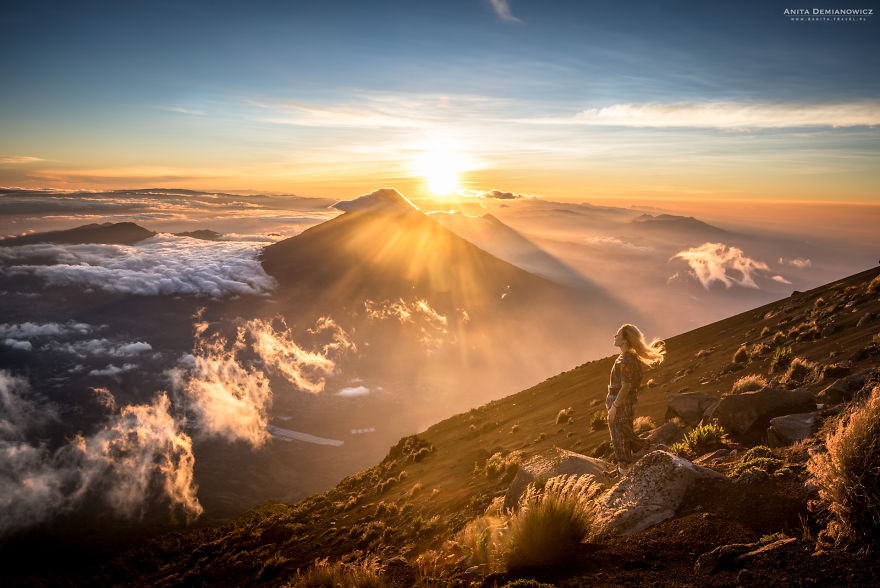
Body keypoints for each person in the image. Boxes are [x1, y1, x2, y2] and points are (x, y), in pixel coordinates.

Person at [606, 323, 666, 476]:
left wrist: (614, 405)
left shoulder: (626, 359)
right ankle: (624, 466)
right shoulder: (631, 357)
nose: (615, 336)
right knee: (624, 431)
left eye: (618, 334)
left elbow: (626, 386)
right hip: (626, 400)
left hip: (621, 400)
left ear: (625, 340)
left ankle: (627, 465)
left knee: (619, 434)